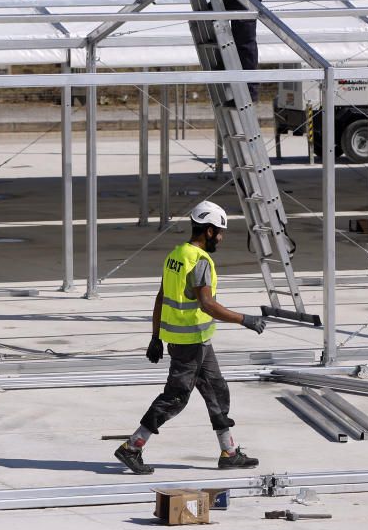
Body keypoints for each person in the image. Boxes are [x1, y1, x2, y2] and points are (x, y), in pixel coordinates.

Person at [114, 200, 267, 475]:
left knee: (217, 392)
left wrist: (155, 337)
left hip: (199, 343)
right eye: (219, 232)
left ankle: (229, 452)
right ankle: (132, 447)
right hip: (189, 345)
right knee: (175, 398)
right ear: (208, 231)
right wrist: (246, 319)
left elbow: (161, 296)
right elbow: (207, 304)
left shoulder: (176, 255)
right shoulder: (200, 261)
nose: (220, 238)